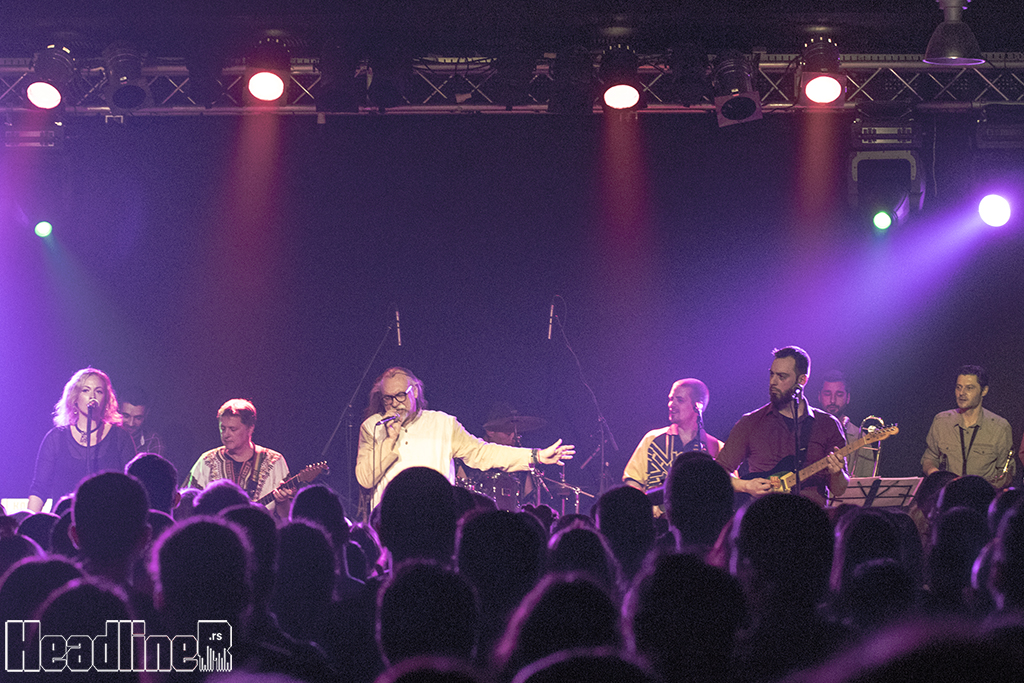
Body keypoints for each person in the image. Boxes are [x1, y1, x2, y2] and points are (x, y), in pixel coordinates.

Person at [355, 367, 574, 510]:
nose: (395, 403)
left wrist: (535, 456)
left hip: (436, 520)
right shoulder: (373, 427)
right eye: (388, 398)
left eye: (400, 395)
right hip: (390, 523)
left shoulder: (442, 424)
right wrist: (388, 442)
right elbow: (365, 479)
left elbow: (483, 453)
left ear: (415, 392)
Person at [715, 346, 848, 507]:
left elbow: (839, 489)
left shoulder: (828, 425)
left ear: (802, 380)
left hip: (812, 517)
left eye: (782, 376)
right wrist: (746, 486)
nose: (773, 382)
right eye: (772, 374)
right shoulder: (751, 422)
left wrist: (837, 473)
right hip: (765, 515)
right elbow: (717, 474)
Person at [27, 368, 136, 512]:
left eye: (99, 391)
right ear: (75, 398)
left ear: (106, 399)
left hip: (109, 520)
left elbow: (134, 487)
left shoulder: (120, 438)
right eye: (86, 390)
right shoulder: (56, 438)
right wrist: (31, 521)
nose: (92, 396)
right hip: (65, 520)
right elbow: (40, 488)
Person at [184, 398, 294, 516]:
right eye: (223, 428)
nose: (226, 435)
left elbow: (289, 517)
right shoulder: (206, 461)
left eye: (233, 429)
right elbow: (186, 506)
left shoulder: (275, 461)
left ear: (250, 429)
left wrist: (283, 503)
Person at [622, 379, 724, 497]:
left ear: (698, 406)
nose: (671, 405)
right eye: (671, 399)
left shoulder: (717, 447)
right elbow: (632, 480)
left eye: (680, 400)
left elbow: (729, 489)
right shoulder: (652, 439)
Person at [921, 365, 1015, 488]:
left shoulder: (1000, 427)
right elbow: (929, 458)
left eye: (969, 388)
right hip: (949, 495)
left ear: (984, 391)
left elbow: (1006, 473)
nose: (961, 393)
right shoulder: (941, 421)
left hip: (982, 497)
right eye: (958, 387)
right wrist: (935, 475)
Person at [818, 370, 878, 477]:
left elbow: (866, 481)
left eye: (839, 394)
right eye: (827, 394)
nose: (832, 400)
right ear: (819, 397)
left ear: (848, 398)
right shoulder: (806, 431)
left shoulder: (860, 438)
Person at [117, 386, 164, 456]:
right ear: (118, 410)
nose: (131, 423)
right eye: (126, 416)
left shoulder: (152, 440)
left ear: (146, 414)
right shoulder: (107, 436)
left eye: (138, 418)